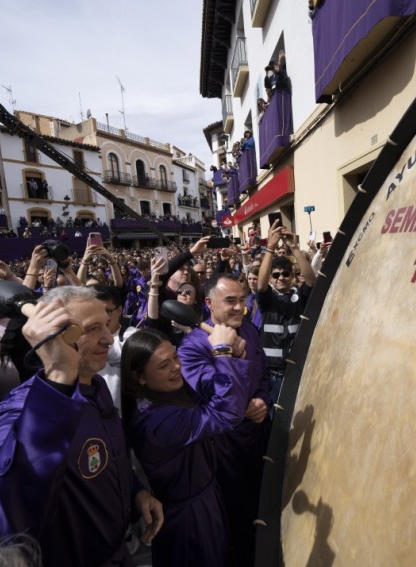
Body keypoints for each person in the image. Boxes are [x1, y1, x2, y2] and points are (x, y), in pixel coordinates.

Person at [0, 286, 164, 567]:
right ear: (54, 335)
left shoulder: (96, 389)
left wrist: (136, 492)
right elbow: (1, 527)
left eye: (107, 325)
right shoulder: (21, 412)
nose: (108, 339)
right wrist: (59, 374)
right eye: (91, 329)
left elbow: (103, 462)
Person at [121, 328, 250, 566]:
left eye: (175, 357)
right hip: (191, 522)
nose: (176, 367)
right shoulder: (157, 422)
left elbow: (215, 398)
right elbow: (226, 413)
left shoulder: (167, 395)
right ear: (139, 377)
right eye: (163, 365)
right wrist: (222, 352)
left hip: (203, 504)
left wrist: (235, 360)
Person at [178, 274, 271, 564]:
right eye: (230, 300)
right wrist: (226, 355)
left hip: (258, 441)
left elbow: (264, 378)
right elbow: (219, 399)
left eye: (242, 300)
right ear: (209, 303)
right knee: (233, 524)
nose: (238, 308)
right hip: (222, 453)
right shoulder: (192, 348)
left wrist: (262, 401)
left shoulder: (251, 331)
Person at [257, 220, 316, 409]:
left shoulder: (299, 296)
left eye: (285, 274)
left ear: (292, 275)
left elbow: (311, 281)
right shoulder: (267, 299)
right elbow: (260, 285)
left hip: (296, 370)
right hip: (271, 373)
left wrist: (294, 248)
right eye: (275, 275)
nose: (280, 277)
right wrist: (270, 248)